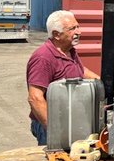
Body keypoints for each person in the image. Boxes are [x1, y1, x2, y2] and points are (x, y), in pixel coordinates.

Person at [26, 10, 99, 146]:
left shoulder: (69, 51)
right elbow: (35, 98)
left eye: (78, 27)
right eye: (72, 29)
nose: (79, 32)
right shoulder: (43, 58)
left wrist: (101, 81)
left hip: (70, 122)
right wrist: (54, 131)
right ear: (56, 35)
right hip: (51, 126)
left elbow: (80, 70)